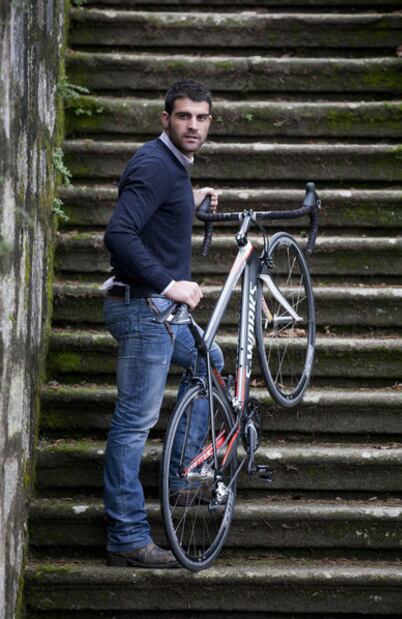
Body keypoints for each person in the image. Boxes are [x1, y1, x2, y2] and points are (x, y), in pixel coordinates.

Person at [102, 79, 224, 568]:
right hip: (146, 310)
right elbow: (120, 233)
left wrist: (189, 205)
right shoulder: (156, 165)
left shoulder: (172, 169)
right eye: (183, 116)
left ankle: (178, 476)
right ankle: (128, 537)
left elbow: (153, 218)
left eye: (201, 117)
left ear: (209, 121)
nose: (192, 125)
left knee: (208, 360)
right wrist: (170, 284)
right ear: (165, 119)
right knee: (133, 425)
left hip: (156, 311)